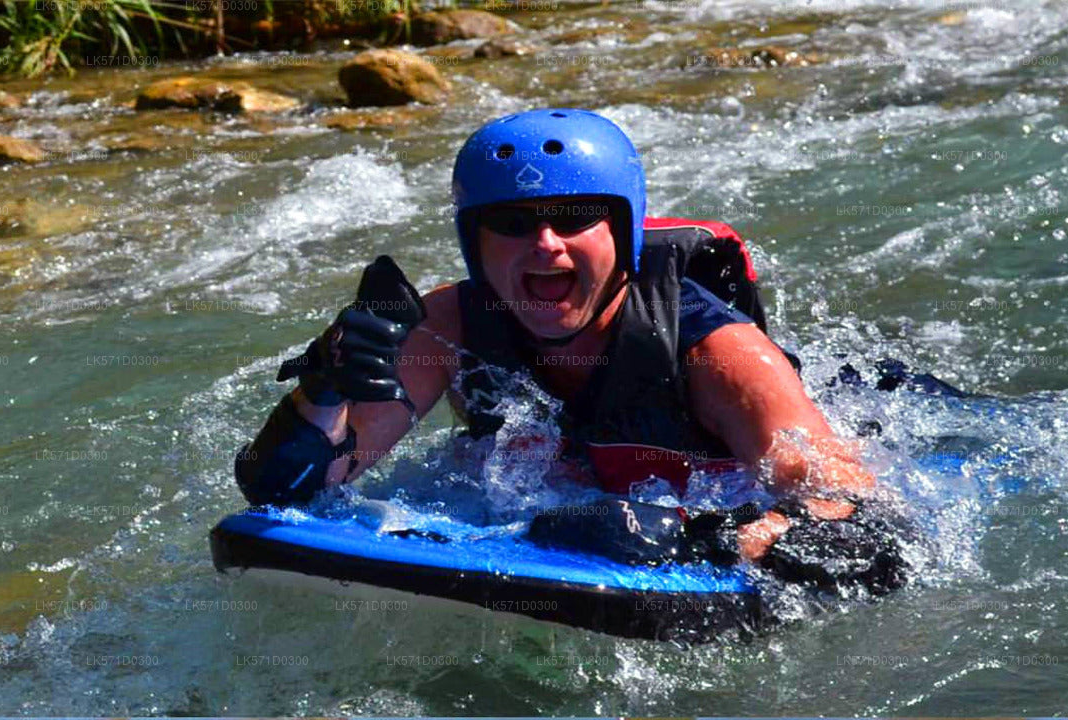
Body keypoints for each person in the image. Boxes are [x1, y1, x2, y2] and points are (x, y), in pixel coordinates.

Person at [234, 108, 911, 591]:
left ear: (623, 233)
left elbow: (850, 504)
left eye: (575, 217)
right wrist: (324, 388)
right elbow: (293, 492)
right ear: (476, 243)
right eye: (512, 223)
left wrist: (713, 539)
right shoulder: (449, 325)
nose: (546, 244)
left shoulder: (717, 351)